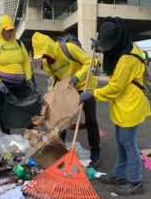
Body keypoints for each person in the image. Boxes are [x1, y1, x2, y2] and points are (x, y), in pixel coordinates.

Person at [79, 17, 151, 196]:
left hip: (130, 105)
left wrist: (92, 93)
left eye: (109, 43)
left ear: (118, 39)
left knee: (128, 143)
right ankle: (119, 175)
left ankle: (136, 182)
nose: (108, 47)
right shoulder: (125, 46)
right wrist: (100, 47)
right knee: (121, 141)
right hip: (123, 104)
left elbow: (116, 87)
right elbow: (113, 52)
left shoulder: (128, 59)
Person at [32, 32, 101, 169]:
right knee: (60, 121)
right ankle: (60, 152)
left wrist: (77, 77)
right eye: (41, 56)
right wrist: (52, 95)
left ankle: (95, 152)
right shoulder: (46, 62)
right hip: (68, 88)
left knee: (90, 120)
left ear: (50, 48)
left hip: (84, 85)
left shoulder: (68, 48)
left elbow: (88, 62)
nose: (44, 58)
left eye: (44, 54)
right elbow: (54, 79)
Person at [0, 14, 34, 134]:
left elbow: (26, 62)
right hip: (2, 83)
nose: (9, 33)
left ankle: (31, 136)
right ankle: (6, 137)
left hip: (20, 83)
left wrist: (29, 78)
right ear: (1, 30)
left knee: (27, 107)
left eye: (11, 30)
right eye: (6, 31)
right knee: (5, 110)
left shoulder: (19, 44)